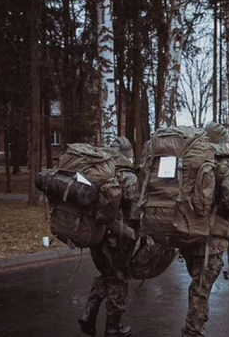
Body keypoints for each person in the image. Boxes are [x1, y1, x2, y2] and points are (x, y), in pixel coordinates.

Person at [178, 122, 229, 337]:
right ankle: (193, 330)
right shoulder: (224, 164)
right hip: (213, 237)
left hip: (188, 230)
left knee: (198, 281)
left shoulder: (191, 160)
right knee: (202, 285)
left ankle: (198, 321)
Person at [79, 136, 136, 337]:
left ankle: (89, 314)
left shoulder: (98, 172)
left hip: (97, 234)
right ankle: (113, 326)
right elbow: (134, 203)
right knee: (119, 278)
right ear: (128, 156)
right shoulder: (127, 176)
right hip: (117, 239)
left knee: (108, 275)